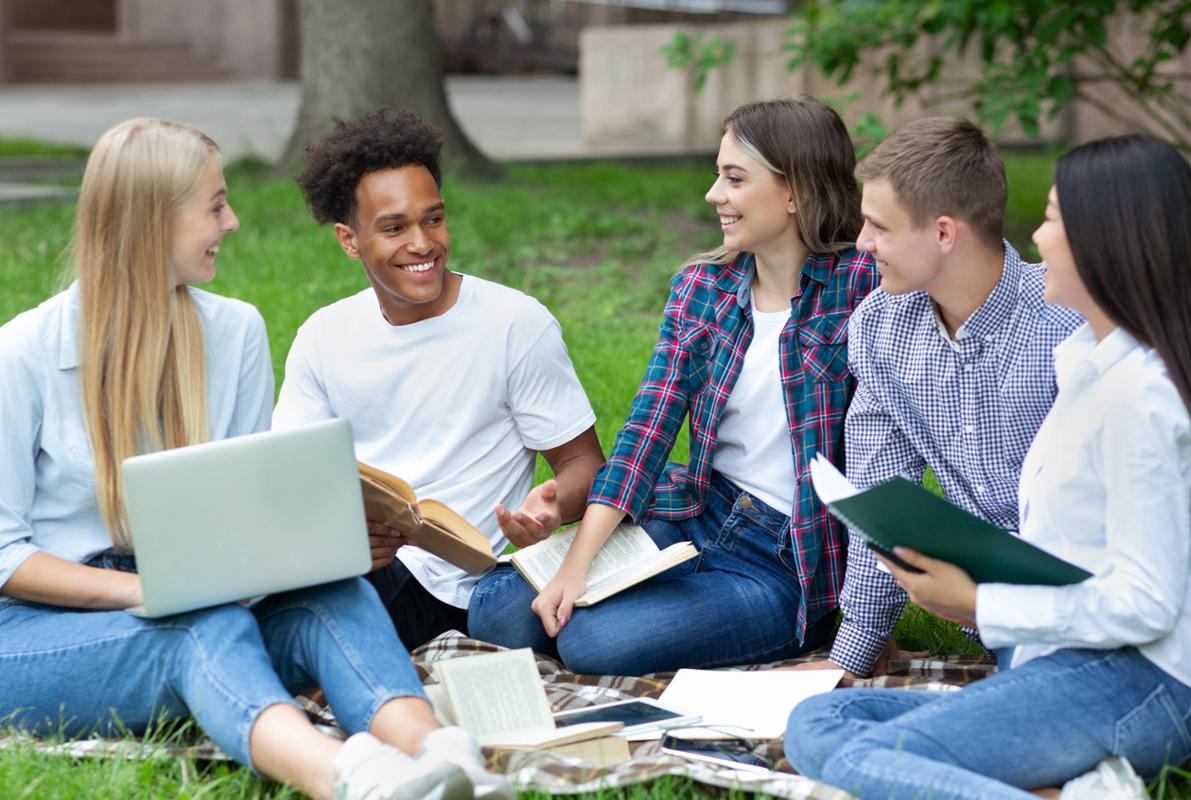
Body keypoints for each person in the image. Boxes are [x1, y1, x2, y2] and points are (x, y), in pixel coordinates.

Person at [0, 118, 510, 800]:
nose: (233, 221)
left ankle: (441, 755)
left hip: (195, 597)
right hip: (40, 634)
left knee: (337, 594)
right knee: (195, 624)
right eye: (214, 205)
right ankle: (348, 780)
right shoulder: (22, 355)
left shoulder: (234, 332)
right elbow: (4, 556)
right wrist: (145, 592)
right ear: (153, 220)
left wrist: (310, 551)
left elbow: (238, 519)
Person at [786, 133, 1191, 799]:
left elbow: (1146, 605)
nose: (1033, 235)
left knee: (864, 761)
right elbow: (877, 482)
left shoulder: (1135, 393)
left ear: (1104, 240)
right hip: (1063, 652)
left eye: (1053, 217)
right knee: (820, 721)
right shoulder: (1088, 368)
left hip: (1139, 675)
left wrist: (976, 602)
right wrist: (855, 651)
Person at [468, 96, 878, 675]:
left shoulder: (863, 290)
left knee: (593, 644)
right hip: (694, 511)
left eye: (734, 179)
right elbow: (645, 433)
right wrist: (576, 564)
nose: (714, 195)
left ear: (795, 192)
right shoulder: (702, 287)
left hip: (784, 560)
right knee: (495, 612)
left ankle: (682, 612)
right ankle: (645, 595)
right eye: (718, 176)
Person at [273, 108, 604, 651]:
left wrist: (551, 506)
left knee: (301, 637)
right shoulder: (322, 337)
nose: (423, 243)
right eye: (394, 227)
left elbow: (583, 463)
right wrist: (343, 536)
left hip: (477, 582)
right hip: (368, 565)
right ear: (349, 240)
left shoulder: (514, 323)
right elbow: (293, 479)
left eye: (433, 219)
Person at [799, 117, 1082, 679]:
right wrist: (851, 657)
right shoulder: (878, 328)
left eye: (879, 227)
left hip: (1082, 596)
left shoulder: (1067, 323)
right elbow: (881, 500)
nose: (862, 244)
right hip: (984, 609)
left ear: (944, 234)